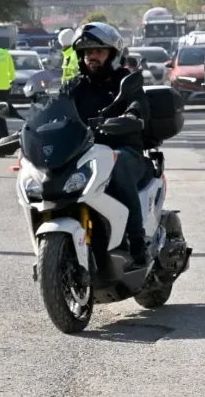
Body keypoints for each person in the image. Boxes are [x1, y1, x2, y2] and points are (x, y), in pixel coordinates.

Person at [61, 22, 152, 268]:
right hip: (85, 156)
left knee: (116, 160)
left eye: (99, 51)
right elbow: (56, 112)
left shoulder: (126, 82)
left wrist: (132, 116)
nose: (92, 57)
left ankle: (136, 239)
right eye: (87, 52)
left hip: (126, 153)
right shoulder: (74, 86)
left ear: (113, 54)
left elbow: (138, 104)